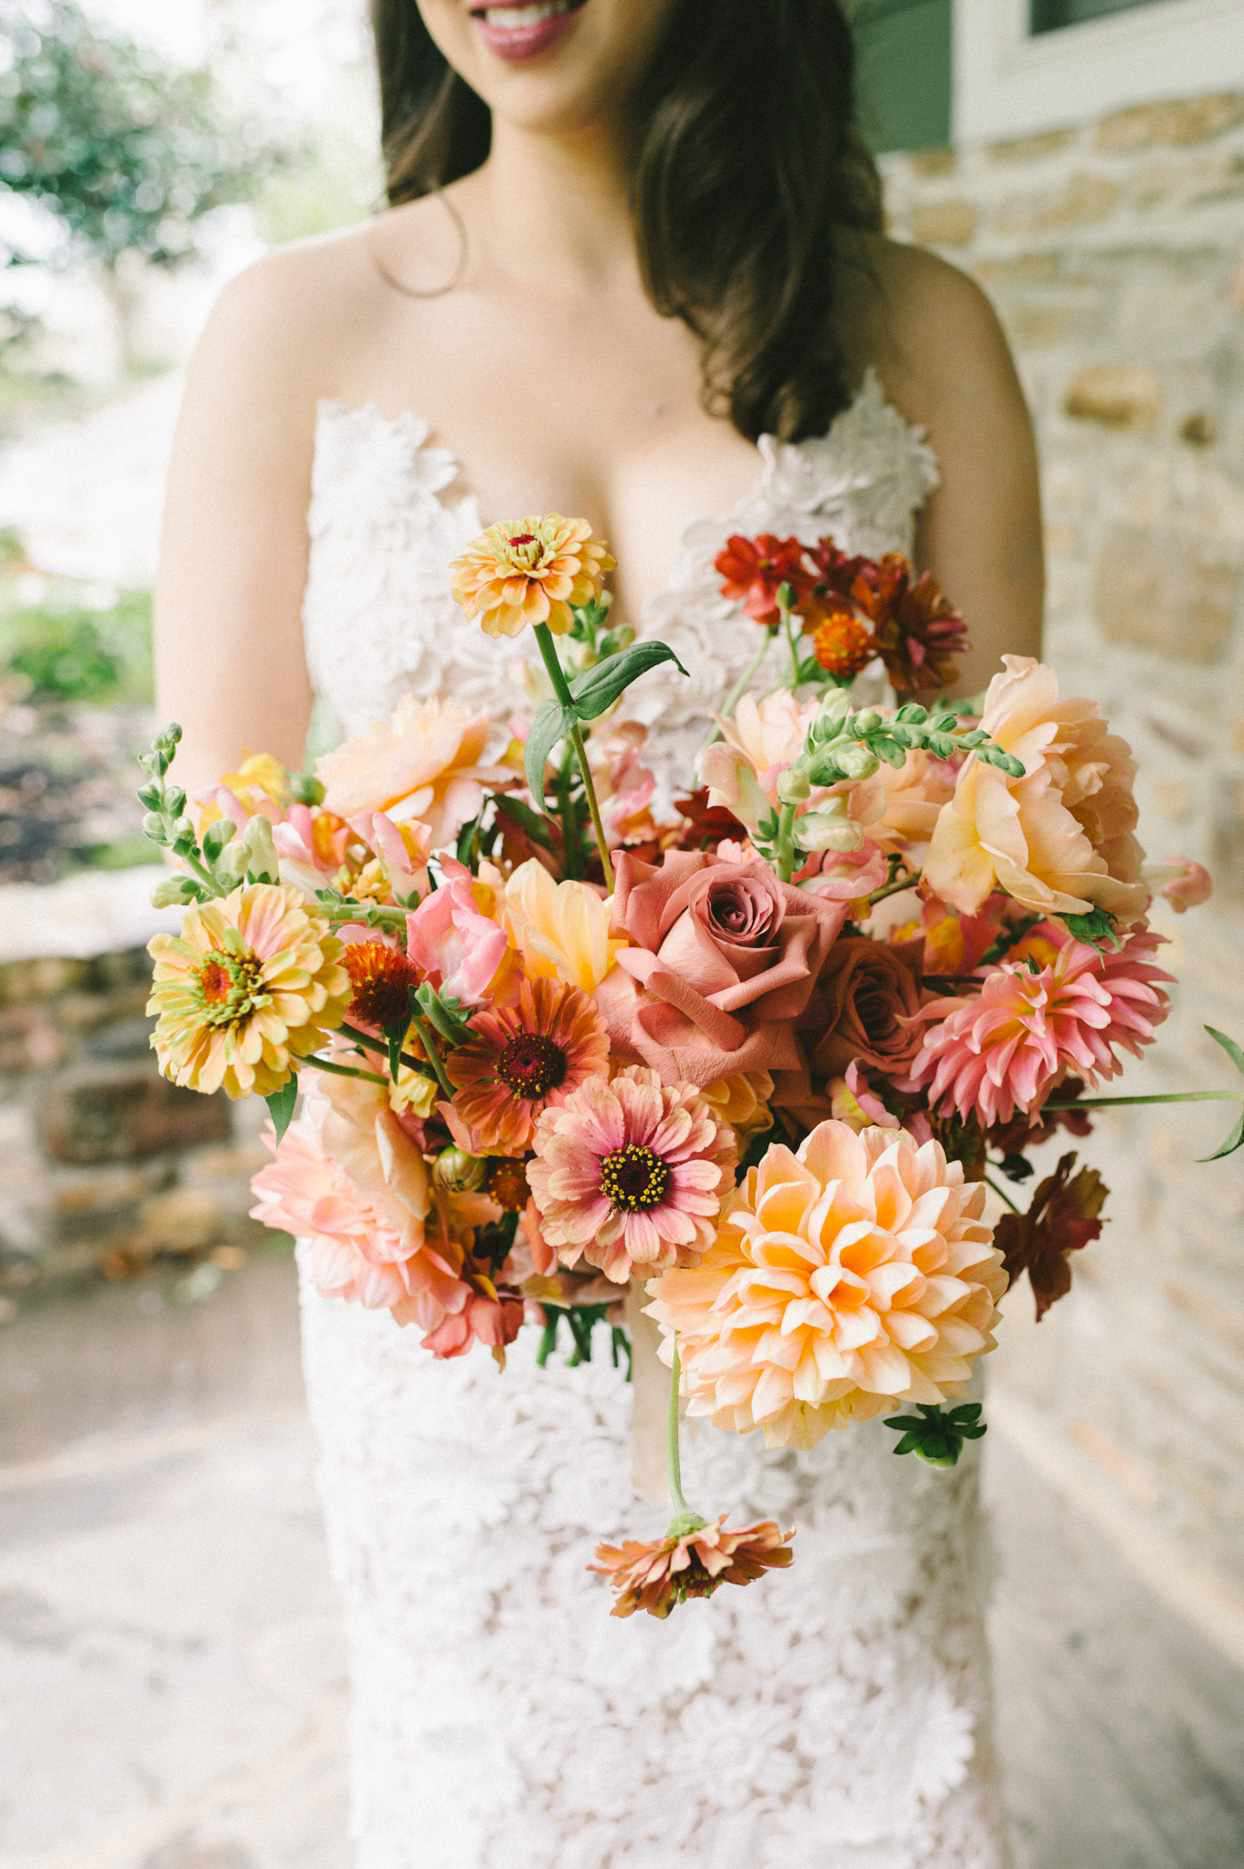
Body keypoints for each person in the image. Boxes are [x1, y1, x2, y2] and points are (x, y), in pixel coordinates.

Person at [155, 3, 1043, 1863]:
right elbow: (231, 893)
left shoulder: (919, 329)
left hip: (829, 1303)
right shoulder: (294, 331)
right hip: (469, 1354)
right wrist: (472, 1156)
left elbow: (1004, 859)